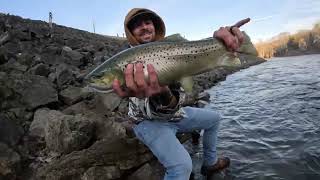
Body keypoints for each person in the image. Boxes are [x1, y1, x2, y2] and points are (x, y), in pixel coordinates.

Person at [113, 8, 248, 180]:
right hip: (147, 122)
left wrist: (219, 42)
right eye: (137, 25)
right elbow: (146, 109)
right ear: (130, 32)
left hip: (175, 115)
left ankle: (210, 163)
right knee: (182, 167)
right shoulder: (126, 62)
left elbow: (181, 95)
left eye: (148, 22)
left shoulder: (173, 50)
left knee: (214, 119)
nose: (144, 27)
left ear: (155, 26)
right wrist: (159, 96)